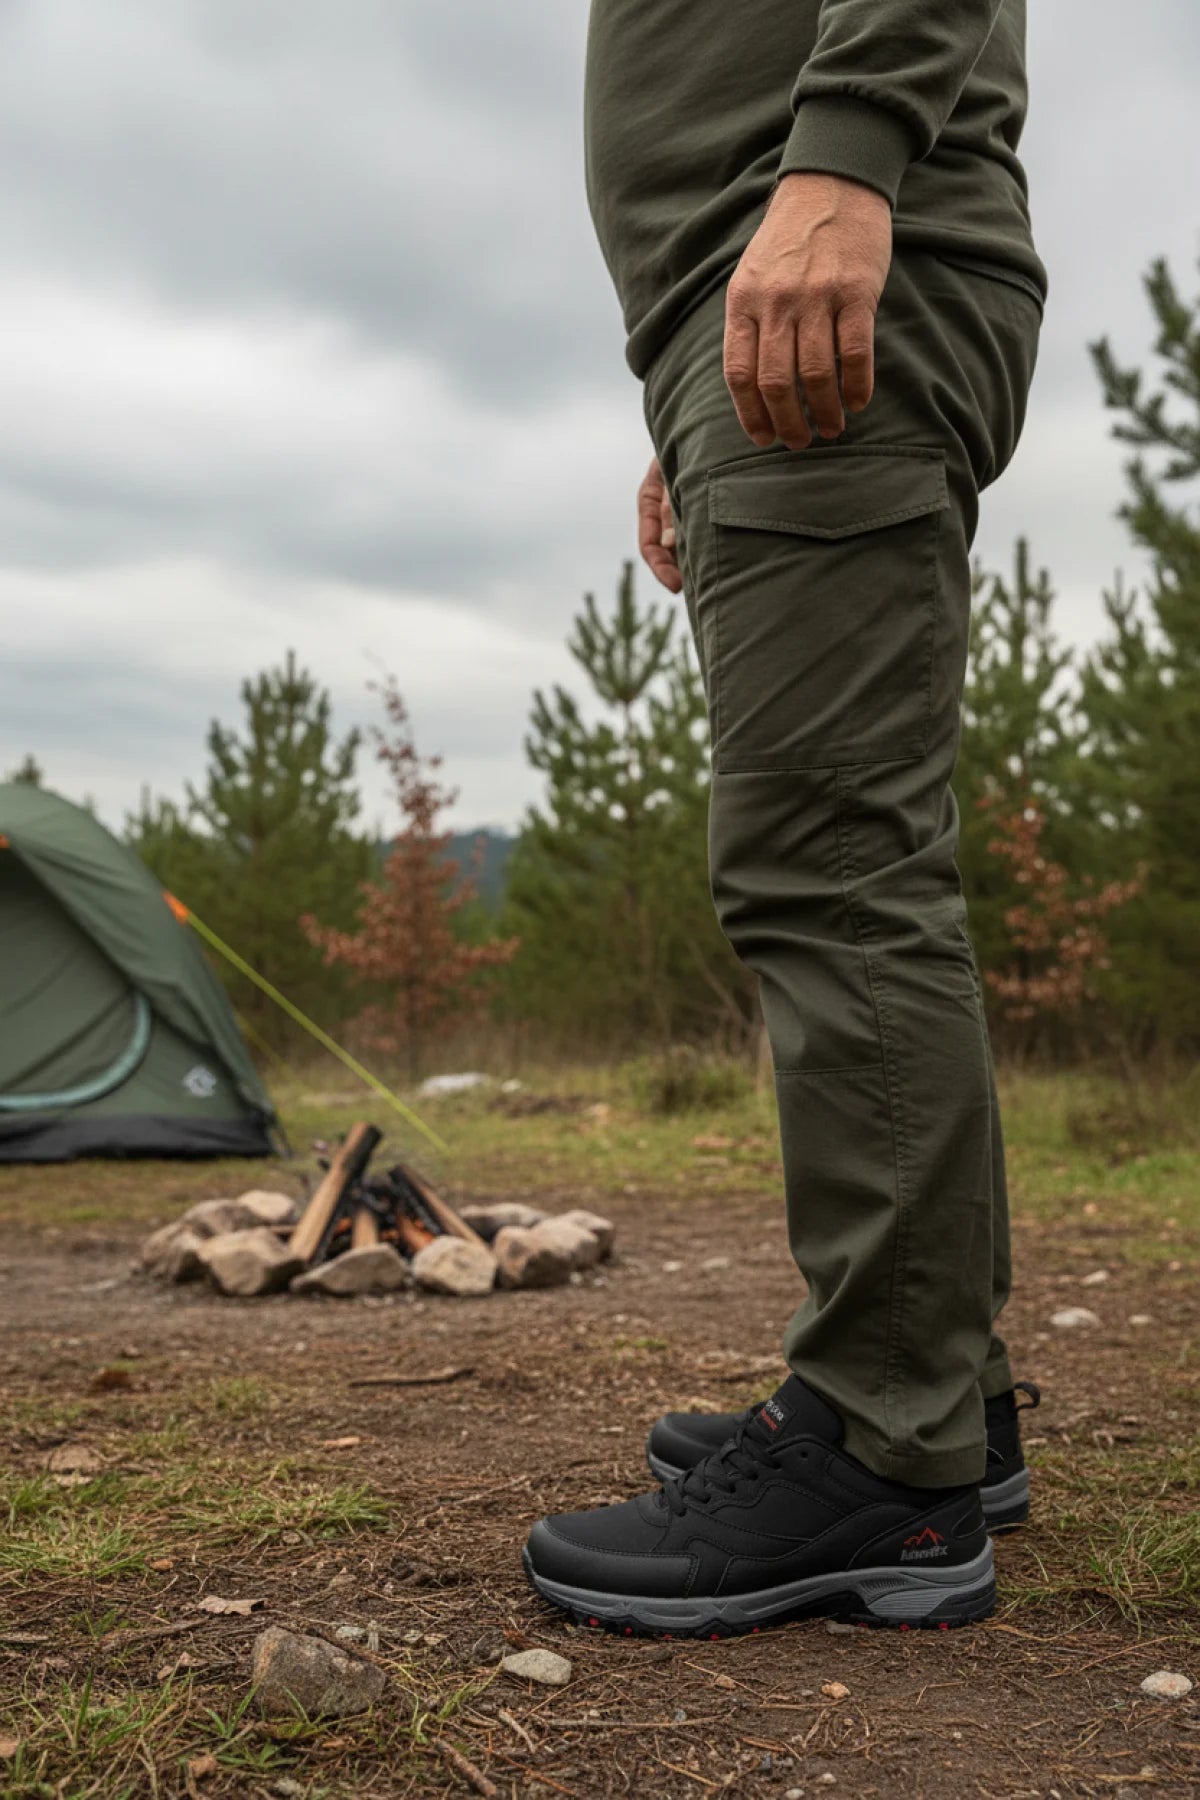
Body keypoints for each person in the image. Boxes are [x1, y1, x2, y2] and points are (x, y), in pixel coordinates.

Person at [523, 0, 1046, 1635]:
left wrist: (842, 162)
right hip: (757, 293)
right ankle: (951, 1393)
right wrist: (684, 385)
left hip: (833, 241)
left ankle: (893, 1464)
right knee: (846, 860)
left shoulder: (843, 180)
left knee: (831, 870)